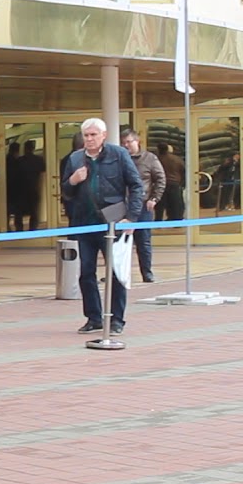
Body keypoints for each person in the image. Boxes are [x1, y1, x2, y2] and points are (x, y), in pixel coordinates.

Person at [60, 118, 144, 336]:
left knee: (116, 273)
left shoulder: (118, 154)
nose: (89, 139)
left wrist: (132, 217)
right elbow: (66, 193)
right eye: (86, 135)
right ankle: (94, 318)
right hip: (84, 225)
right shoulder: (75, 158)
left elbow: (136, 185)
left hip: (112, 223)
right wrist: (73, 181)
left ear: (103, 135)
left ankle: (117, 319)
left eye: (93, 135)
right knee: (86, 272)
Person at [121, 129, 165, 283]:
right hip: (122, 206)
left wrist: (154, 198)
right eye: (124, 142)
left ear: (137, 141)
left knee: (143, 241)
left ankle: (147, 273)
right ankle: (117, 274)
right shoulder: (120, 158)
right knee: (118, 242)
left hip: (142, 205)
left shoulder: (149, 158)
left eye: (129, 142)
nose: (126, 145)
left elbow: (160, 179)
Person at [9, 140, 45, 232]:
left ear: (24, 149)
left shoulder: (19, 161)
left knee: (19, 213)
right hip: (34, 188)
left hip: (20, 190)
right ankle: (32, 229)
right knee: (34, 212)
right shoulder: (39, 160)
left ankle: (19, 230)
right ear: (33, 148)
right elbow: (42, 174)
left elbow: (14, 175)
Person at [155, 143, 186, 221]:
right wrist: (183, 182)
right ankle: (176, 219)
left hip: (161, 184)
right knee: (176, 203)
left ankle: (158, 220)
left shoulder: (156, 159)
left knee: (160, 204)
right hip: (174, 183)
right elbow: (183, 170)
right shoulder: (176, 159)